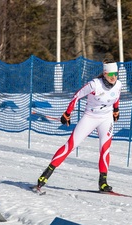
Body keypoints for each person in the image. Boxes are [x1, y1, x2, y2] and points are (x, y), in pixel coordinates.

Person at [36, 59, 122, 192]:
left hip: (106, 119)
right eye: (111, 75)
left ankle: (103, 182)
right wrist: (67, 113)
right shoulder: (94, 85)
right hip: (90, 118)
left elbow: (116, 98)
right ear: (104, 74)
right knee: (70, 145)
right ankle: (45, 175)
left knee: (105, 149)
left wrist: (116, 110)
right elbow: (77, 96)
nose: (114, 77)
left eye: (116, 74)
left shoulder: (118, 84)